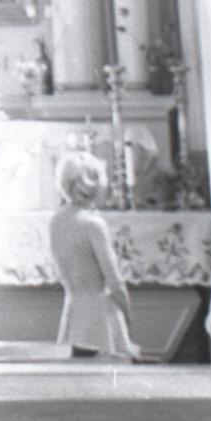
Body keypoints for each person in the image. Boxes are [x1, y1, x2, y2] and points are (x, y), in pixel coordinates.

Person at [49, 150, 138, 357]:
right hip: (99, 314)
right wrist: (127, 315)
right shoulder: (92, 224)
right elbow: (115, 282)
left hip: (73, 310)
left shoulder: (56, 221)